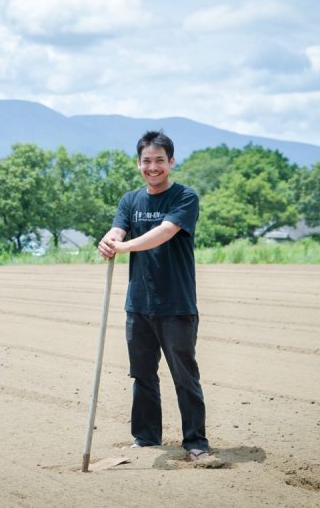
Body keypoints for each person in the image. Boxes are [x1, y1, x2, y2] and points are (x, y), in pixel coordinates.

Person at [97, 130, 210, 461]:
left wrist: (124, 245)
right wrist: (109, 240)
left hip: (176, 305)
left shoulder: (184, 197)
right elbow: (117, 229)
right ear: (139, 164)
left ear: (171, 162)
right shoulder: (130, 200)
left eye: (160, 160)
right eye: (147, 161)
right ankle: (146, 438)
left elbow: (165, 232)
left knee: (184, 376)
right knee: (142, 374)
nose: (153, 167)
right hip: (139, 305)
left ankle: (195, 443)